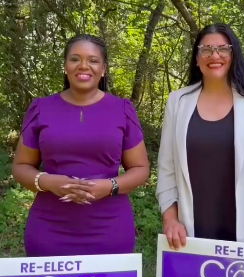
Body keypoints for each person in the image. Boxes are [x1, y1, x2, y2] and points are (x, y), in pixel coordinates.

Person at [156, 23, 244, 250]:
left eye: (223, 48)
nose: (215, 55)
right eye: (206, 49)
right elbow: (166, 168)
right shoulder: (178, 101)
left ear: (233, 55)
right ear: (197, 58)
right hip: (191, 233)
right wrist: (170, 218)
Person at [12, 34, 149, 257]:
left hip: (110, 227)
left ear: (103, 69)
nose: (83, 66)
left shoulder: (122, 109)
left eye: (93, 60)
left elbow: (141, 169)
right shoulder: (41, 108)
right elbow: (21, 166)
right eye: (75, 59)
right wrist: (48, 181)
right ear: (65, 66)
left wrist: (109, 187)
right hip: (49, 228)